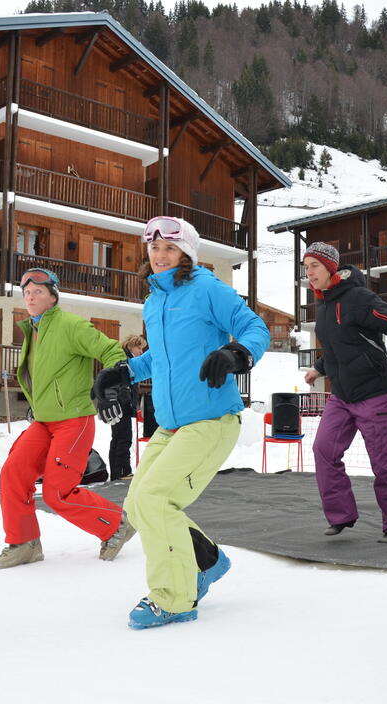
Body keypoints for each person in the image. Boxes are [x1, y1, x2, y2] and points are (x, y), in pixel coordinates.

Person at [92, 217, 268, 629]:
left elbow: (253, 327)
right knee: (138, 503)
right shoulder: (155, 302)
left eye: (169, 248)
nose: (160, 255)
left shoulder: (206, 289)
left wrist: (236, 354)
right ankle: (205, 560)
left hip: (211, 419)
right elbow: (161, 358)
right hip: (170, 424)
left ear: (186, 253)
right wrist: (122, 373)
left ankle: (174, 599)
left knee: (155, 500)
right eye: (153, 248)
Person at [0, 268, 136, 569]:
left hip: (74, 420)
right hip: (44, 421)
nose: (31, 298)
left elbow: (112, 351)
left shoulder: (72, 326)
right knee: (13, 472)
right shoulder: (33, 332)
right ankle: (24, 543)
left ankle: (116, 524)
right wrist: (37, 403)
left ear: (53, 296)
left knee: (58, 492)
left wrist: (109, 389)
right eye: (27, 293)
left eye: (38, 292)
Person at [301, 242, 387, 541]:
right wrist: (320, 367)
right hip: (342, 396)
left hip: (375, 393)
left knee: (383, 462)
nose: (309, 273)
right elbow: (339, 346)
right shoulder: (324, 305)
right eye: (305, 268)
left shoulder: (359, 299)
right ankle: (341, 515)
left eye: (313, 266)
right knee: (324, 450)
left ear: (330, 267)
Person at [107, 334, 148, 481]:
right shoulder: (124, 360)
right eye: (139, 347)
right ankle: (122, 471)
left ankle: (119, 471)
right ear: (131, 345)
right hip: (120, 404)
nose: (141, 352)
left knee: (119, 437)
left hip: (118, 404)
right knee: (123, 437)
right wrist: (126, 402)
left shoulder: (124, 359)